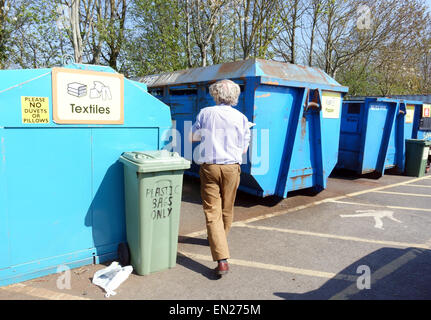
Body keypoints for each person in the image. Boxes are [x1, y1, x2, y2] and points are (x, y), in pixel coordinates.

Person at [189, 79, 251, 276]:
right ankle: (219, 240)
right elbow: (243, 149)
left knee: (212, 211)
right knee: (227, 208)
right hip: (232, 167)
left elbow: (193, 137)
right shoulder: (242, 118)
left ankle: (222, 258)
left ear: (216, 95)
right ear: (235, 96)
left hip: (210, 166)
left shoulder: (206, 113)